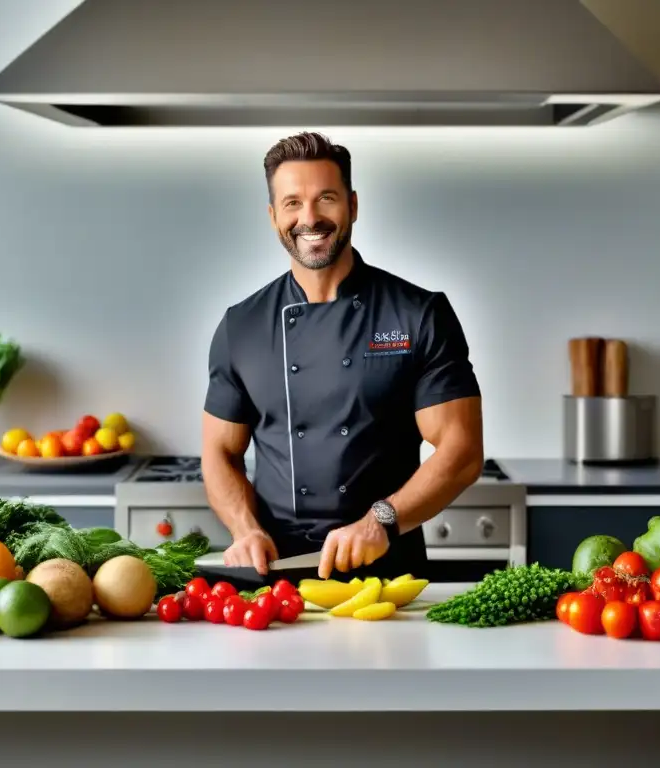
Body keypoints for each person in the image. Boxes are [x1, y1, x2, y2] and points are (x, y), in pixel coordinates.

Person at [201, 131, 484, 581]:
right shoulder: (242, 327)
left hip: (389, 572)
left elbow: (463, 450)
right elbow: (218, 451)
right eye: (292, 203)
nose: (309, 217)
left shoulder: (418, 314)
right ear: (274, 216)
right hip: (277, 575)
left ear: (353, 205)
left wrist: (381, 521)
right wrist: (244, 528)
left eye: (325, 198)